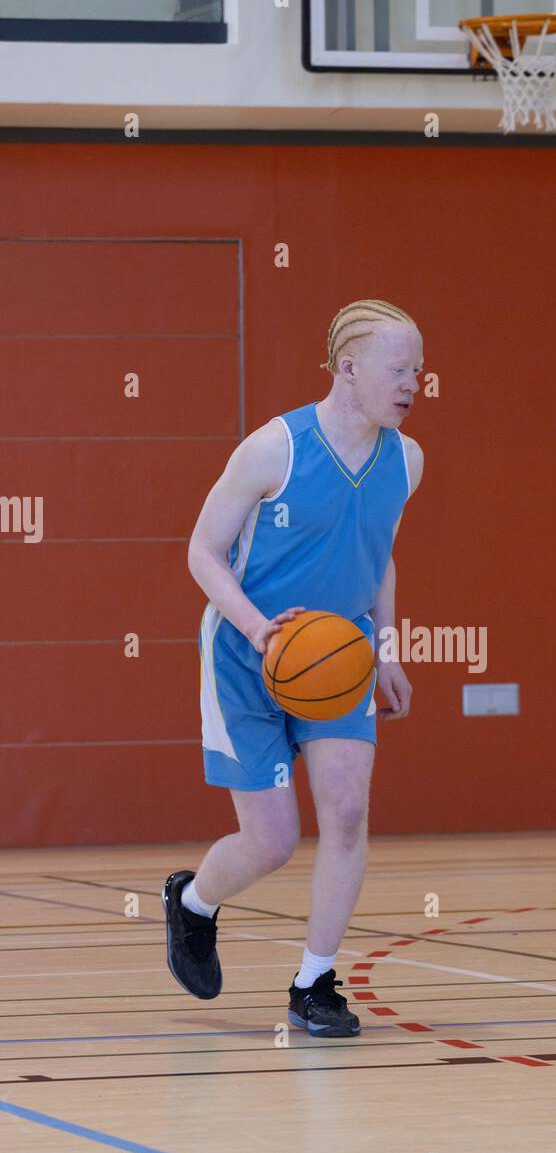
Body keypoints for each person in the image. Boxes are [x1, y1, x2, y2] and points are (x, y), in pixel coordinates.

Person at [162, 299, 424, 1038]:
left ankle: (314, 982)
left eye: (419, 372)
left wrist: (388, 650)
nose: (412, 385)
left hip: (335, 660)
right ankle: (194, 903)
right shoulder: (272, 449)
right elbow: (201, 552)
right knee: (273, 842)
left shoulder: (405, 459)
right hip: (247, 657)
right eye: (398, 369)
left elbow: (379, 556)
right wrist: (259, 630)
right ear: (348, 368)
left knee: (344, 813)